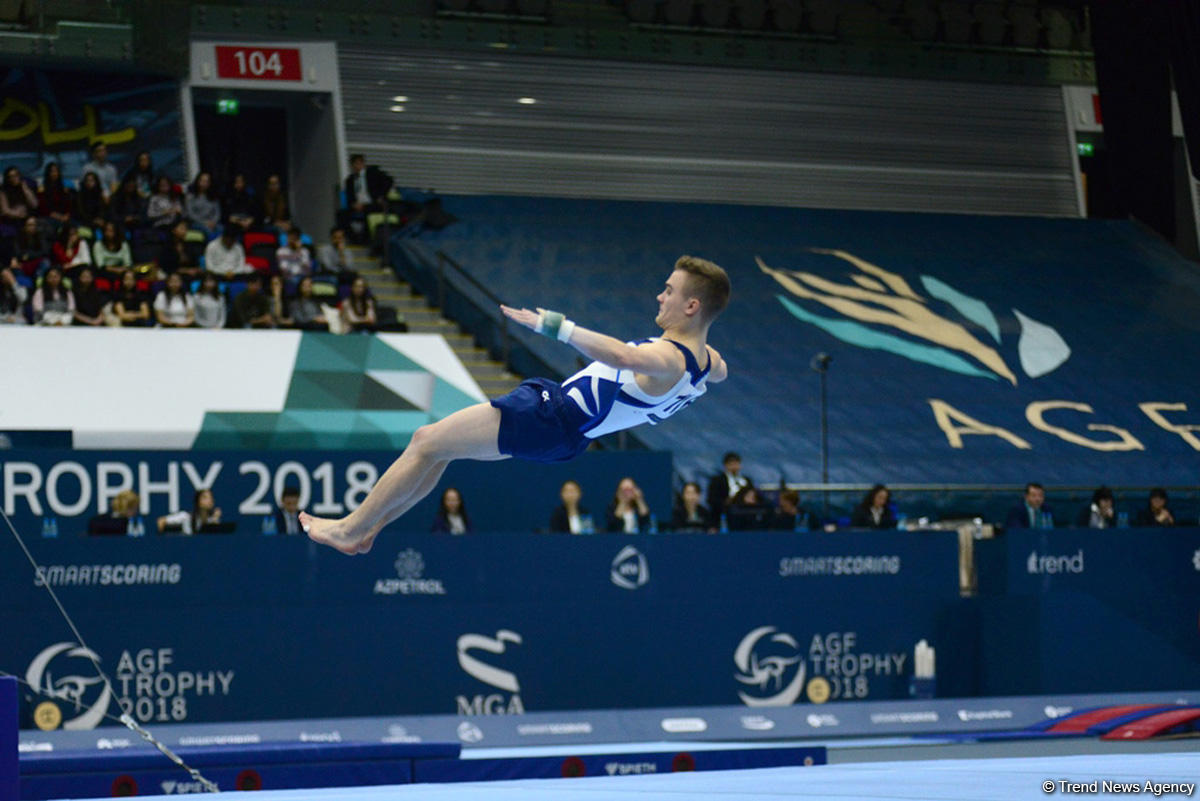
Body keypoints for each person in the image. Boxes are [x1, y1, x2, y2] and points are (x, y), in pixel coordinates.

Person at [301, 255, 730, 555]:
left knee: (425, 440)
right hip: (567, 435)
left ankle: (348, 528)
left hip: (553, 414)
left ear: (692, 306)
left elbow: (621, 356)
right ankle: (371, 528)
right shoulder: (709, 365)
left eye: (670, 291)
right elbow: (716, 367)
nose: (660, 296)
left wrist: (555, 326)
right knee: (438, 451)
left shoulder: (670, 359)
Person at [706, 451, 752, 527]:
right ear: (725, 465)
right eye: (731, 464)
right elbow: (712, 499)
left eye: (736, 463)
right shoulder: (717, 481)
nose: (734, 466)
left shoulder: (747, 481)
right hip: (725, 515)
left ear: (740, 465)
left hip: (746, 513)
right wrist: (727, 503)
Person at [158, 489, 222, 535]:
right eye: (205, 498)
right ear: (198, 502)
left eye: (211, 497)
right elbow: (161, 521)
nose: (209, 500)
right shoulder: (185, 517)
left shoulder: (212, 520)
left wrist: (215, 519)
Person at [37, 162, 73, 232]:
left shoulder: (64, 188)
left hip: (64, 217)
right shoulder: (42, 189)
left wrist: (67, 215)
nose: (54, 174)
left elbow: (69, 205)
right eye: (52, 172)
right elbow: (43, 208)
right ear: (48, 173)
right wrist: (58, 216)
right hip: (49, 217)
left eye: (56, 171)